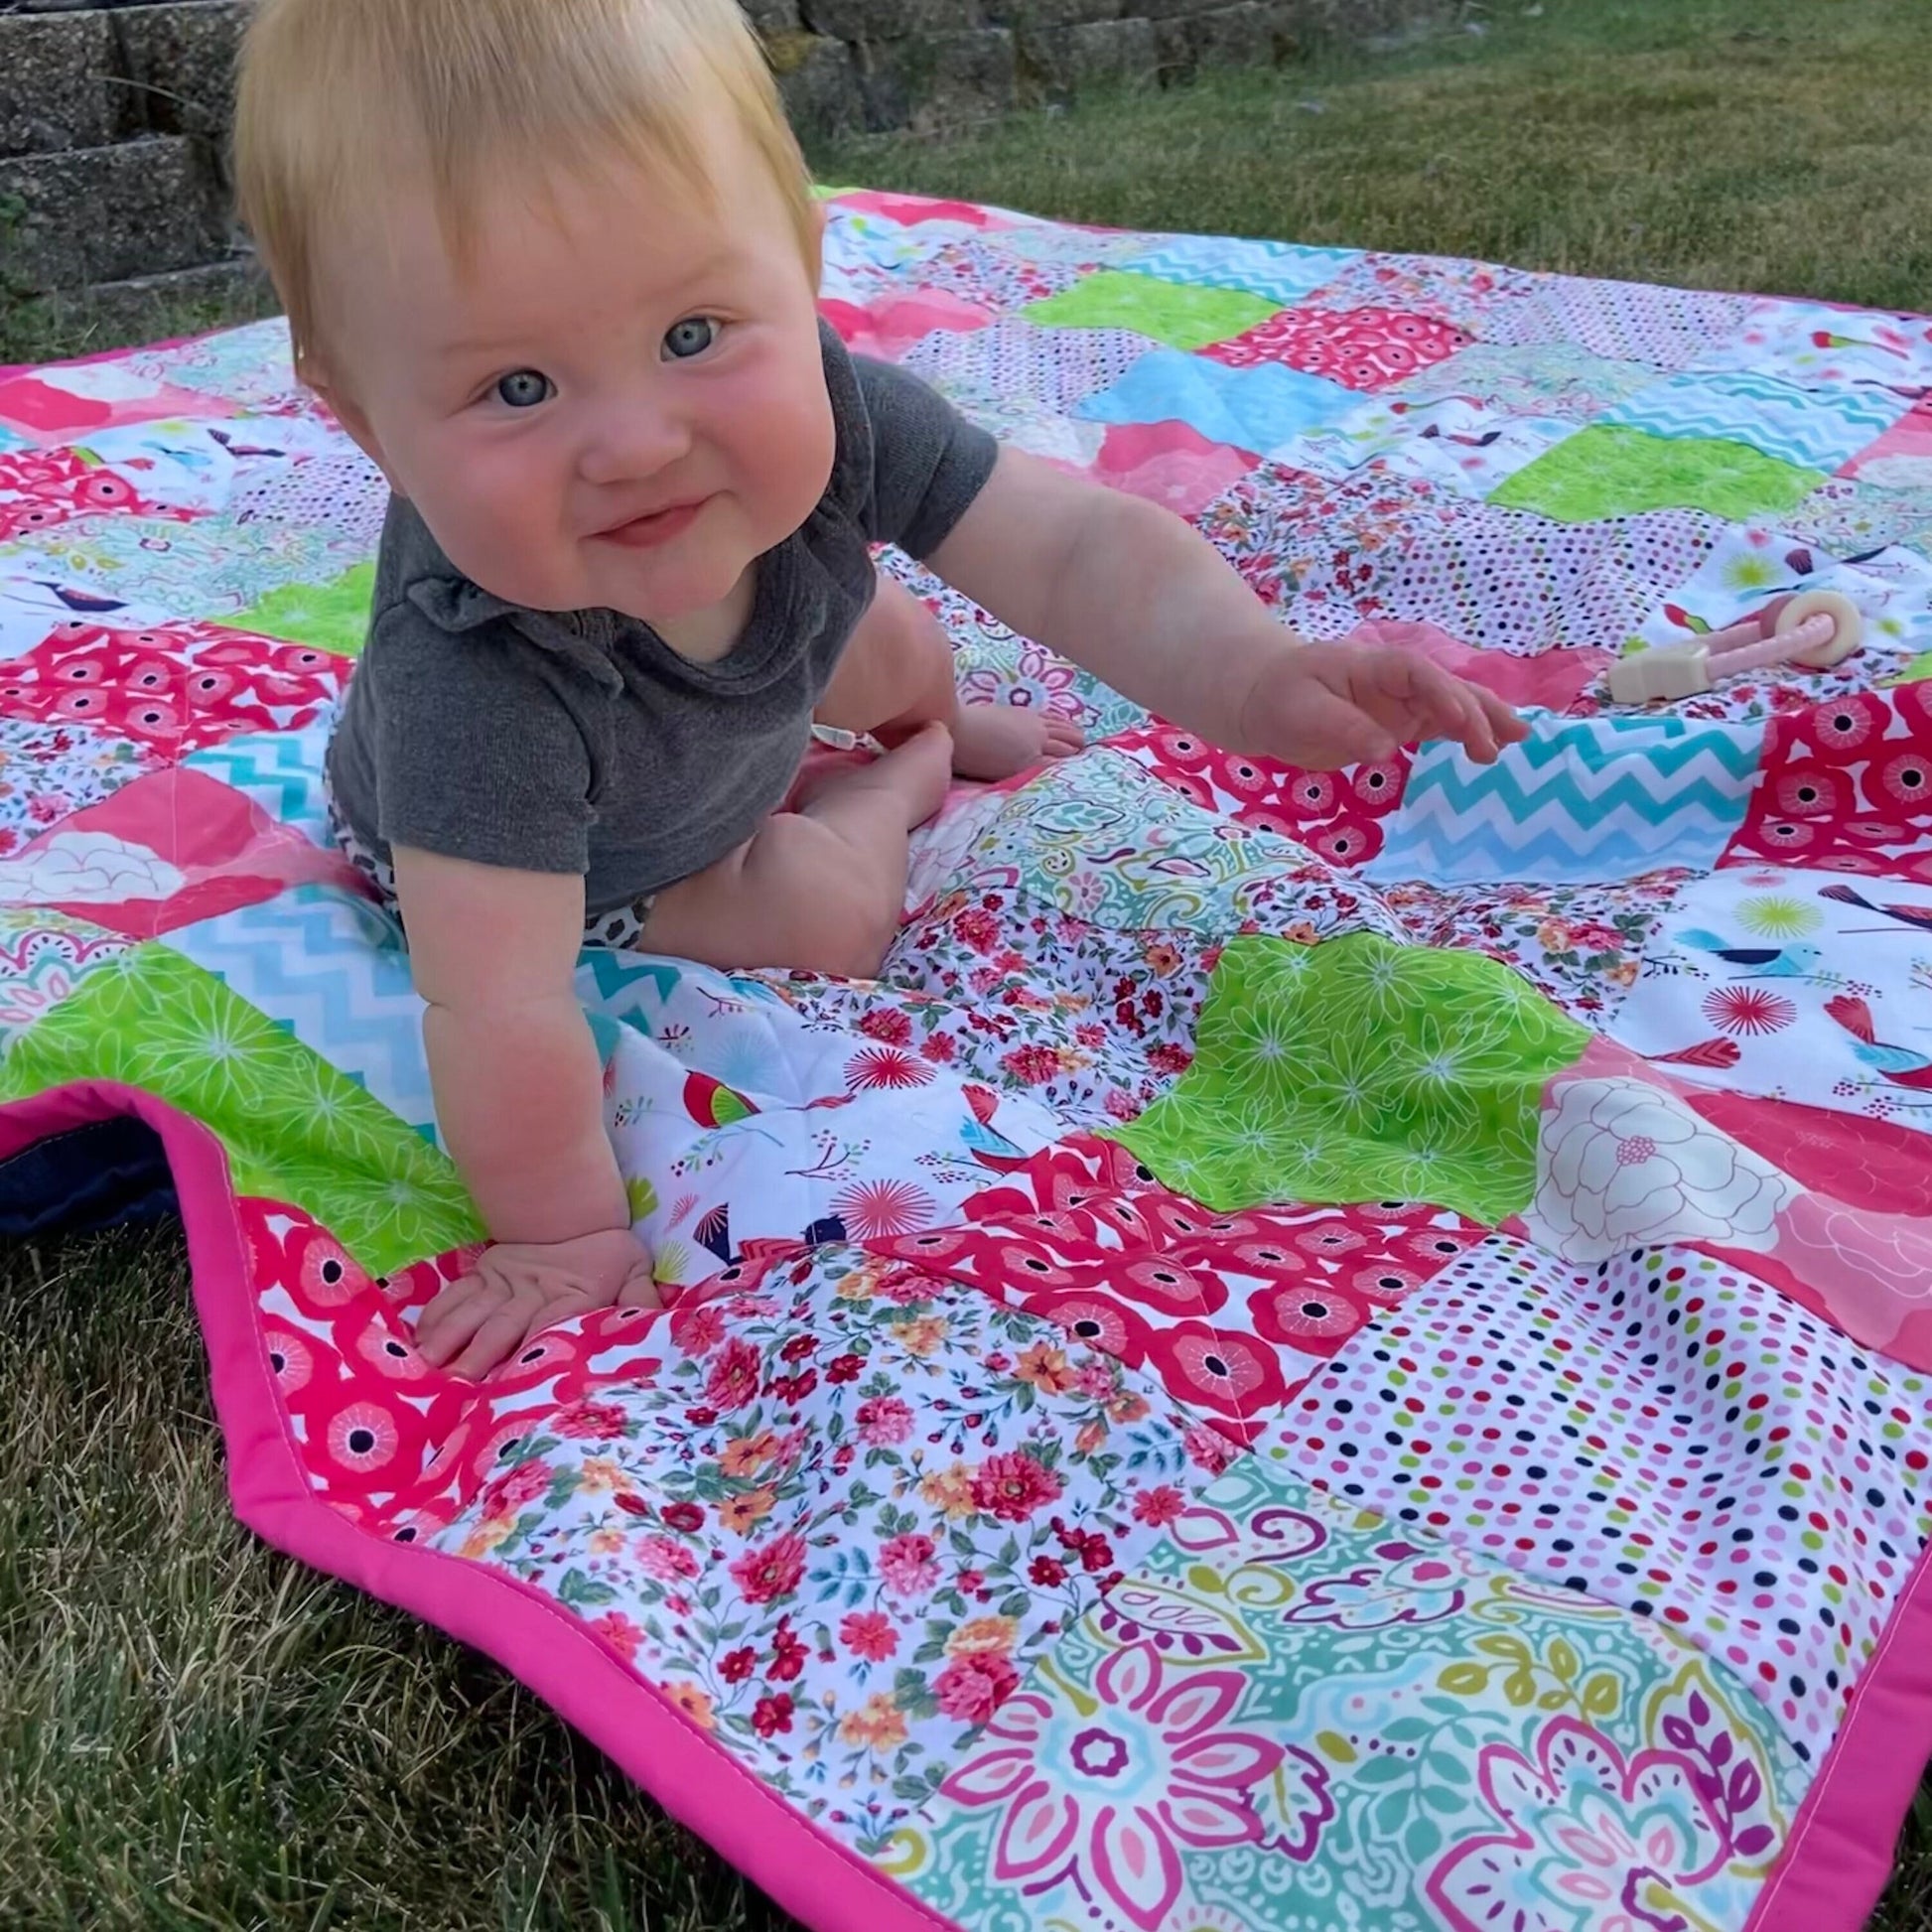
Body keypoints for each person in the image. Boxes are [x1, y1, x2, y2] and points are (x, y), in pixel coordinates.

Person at [232, 0, 1528, 1379]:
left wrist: (1251, 672)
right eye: (518, 384)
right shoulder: (475, 681)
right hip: (595, 858)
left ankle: (935, 724)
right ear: (367, 417)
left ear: (801, 267)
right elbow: (498, 1007)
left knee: (888, 633)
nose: (634, 444)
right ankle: (902, 779)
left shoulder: (839, 414)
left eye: (691, 333)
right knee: (819, 909)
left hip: (752, 693)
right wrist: (559, 1238)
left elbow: (1072, 545)